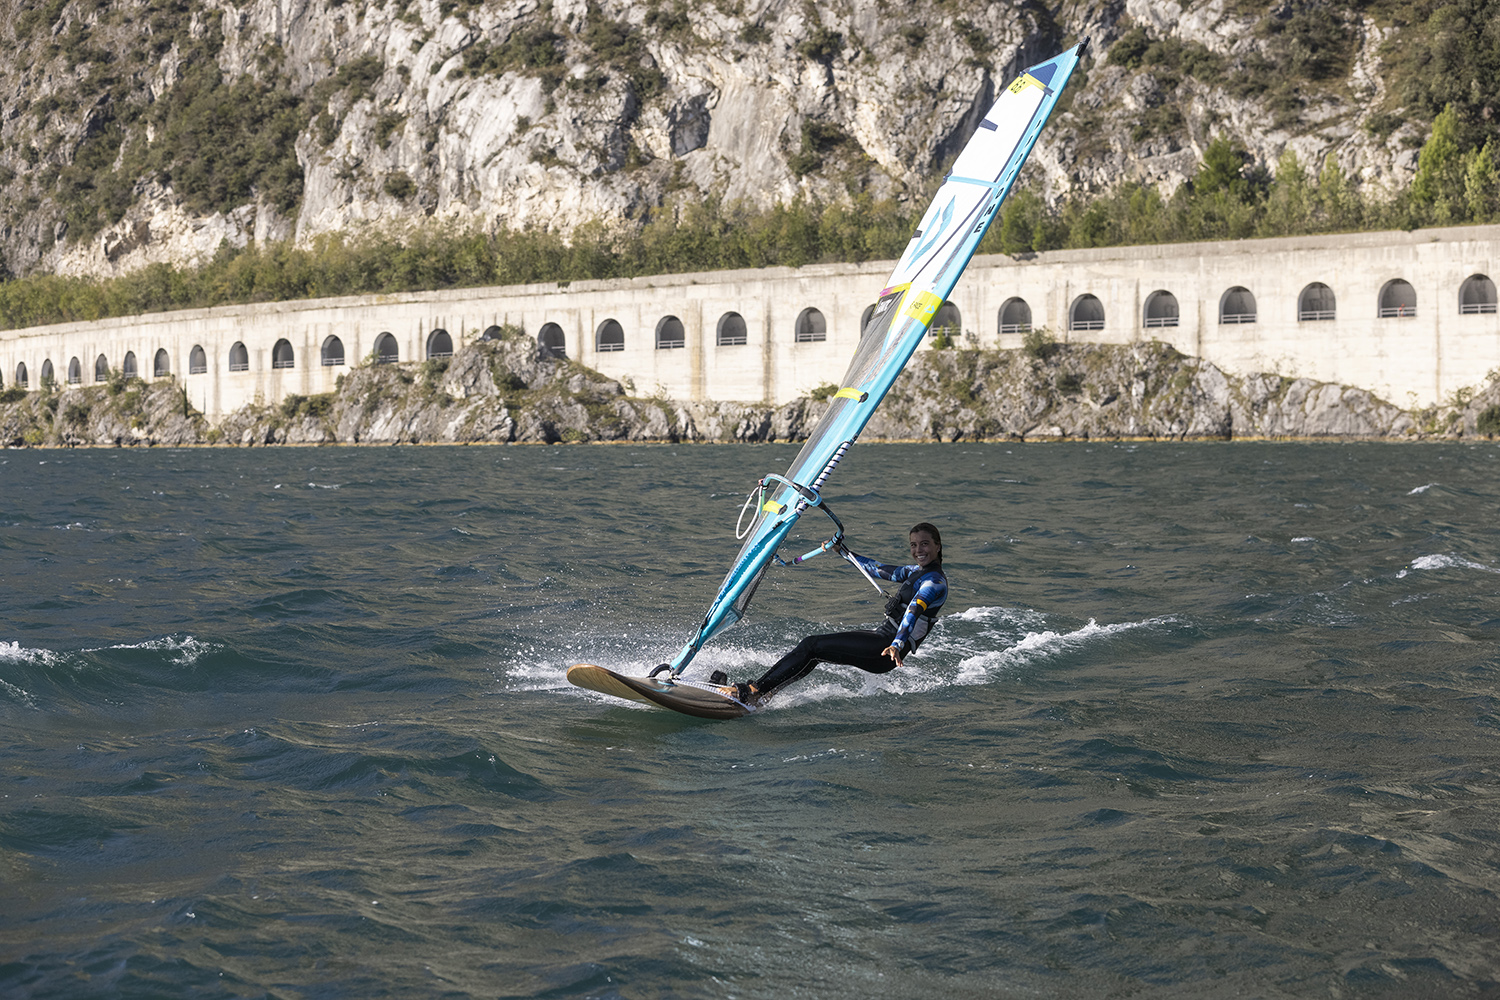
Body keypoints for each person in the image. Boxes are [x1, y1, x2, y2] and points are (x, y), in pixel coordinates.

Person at [716, 522, 948, 706]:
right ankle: (765, 694)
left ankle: (755, 691)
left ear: (938, 546)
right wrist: (843, 552)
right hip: (882, 639)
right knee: (814, 652)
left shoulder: (935, 582)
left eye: (925, 544)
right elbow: (878, 569)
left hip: (887, 649)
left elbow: (914, 610)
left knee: (811, 645)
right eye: (914, 545)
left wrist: (897, 644)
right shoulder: (915, 572)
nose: (918, 550)